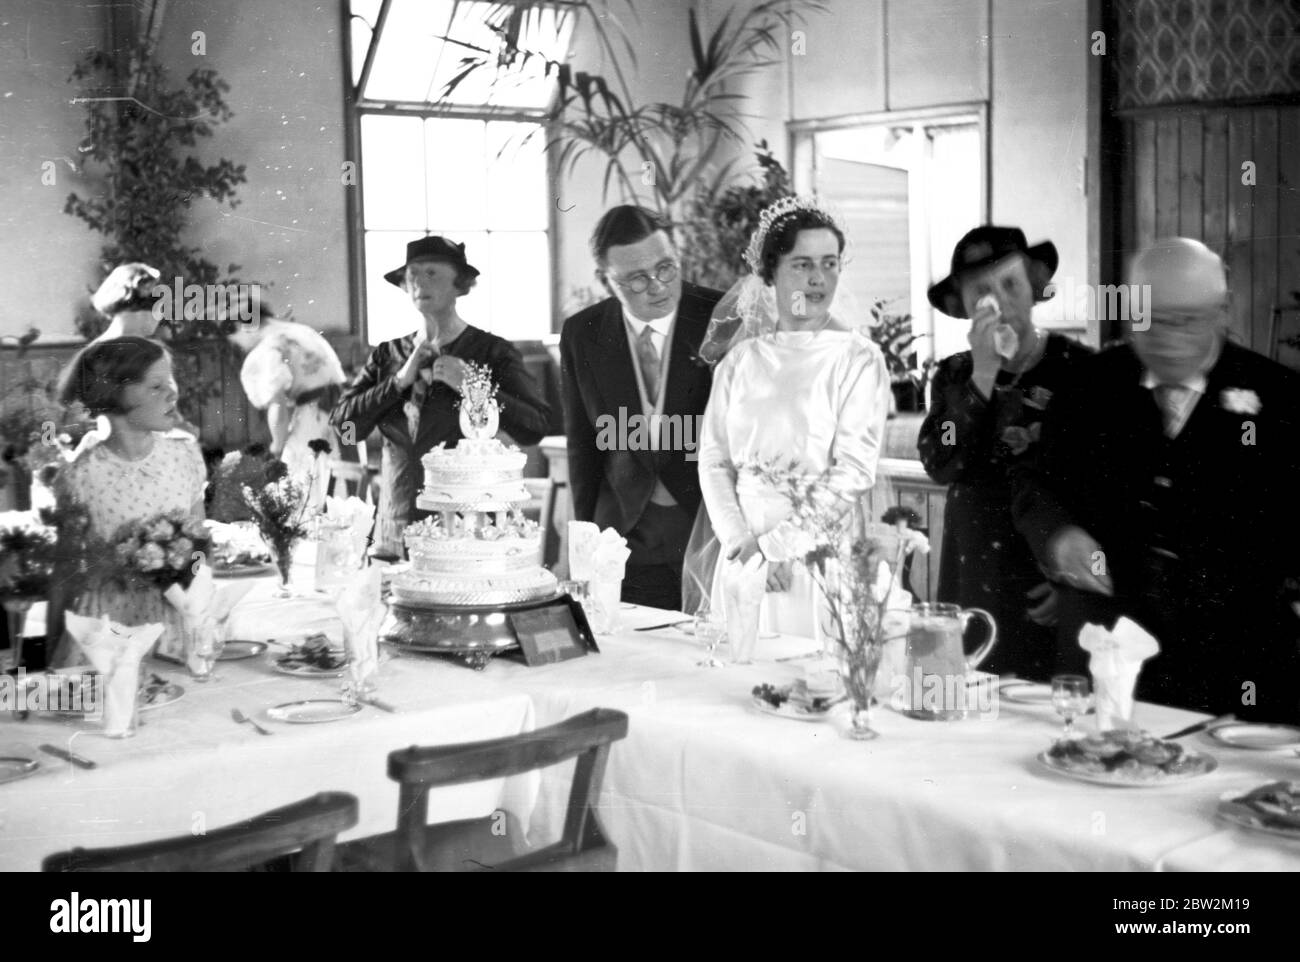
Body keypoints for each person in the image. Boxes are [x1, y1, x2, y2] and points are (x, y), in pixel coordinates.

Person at [1012, 237, 1300, 721]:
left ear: (1221, 311)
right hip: (1107, 655)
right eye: (1147, 316)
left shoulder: (1280, 398)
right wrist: (1058, 538)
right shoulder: (1091, 385)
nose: (1164, 335)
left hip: (1240, 666)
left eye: (1184, 320)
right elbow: (1034, 482)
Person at [692, 196, 890, 640]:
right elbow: (714, 459)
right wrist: (740, 541)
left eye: (830, 263)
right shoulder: (739, 361)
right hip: (743, 553)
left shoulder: (858, 359)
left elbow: (853, 472)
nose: (818, 279)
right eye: (801, 264)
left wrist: (777, 549)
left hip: (814, 556)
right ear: (770, 272)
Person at [918, 226, 1093, 679]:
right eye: (981, 292)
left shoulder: (1082, 369)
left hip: (1049, 579)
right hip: (974, 570)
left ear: (1035, 289)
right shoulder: (954, 374)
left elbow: (1104, 483)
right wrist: (982, 375)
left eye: (1010, 284)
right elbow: (942, 460)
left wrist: (1070, 580)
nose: (998, 302)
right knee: (966, 701)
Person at [331, 237, 550, 556]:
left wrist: (475, 388)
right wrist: (398, 381)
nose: (419, 281)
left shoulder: (493, 352)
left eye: (431, 272)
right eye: (412, 274)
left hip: (468, 532)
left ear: (460, 284)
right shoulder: (387, 356)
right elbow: (345, 427)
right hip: (395, 527)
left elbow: (536, 427)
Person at [560, 206, 722, 609]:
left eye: (666, 267)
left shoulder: (719, 318)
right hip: (625, 540)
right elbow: (582, 447)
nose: (657, 286)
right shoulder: (583, 333)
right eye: (636, 279)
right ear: (605, 280)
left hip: (707, 534)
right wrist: (587, 547)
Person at [47, 337, 208, 667]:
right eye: (156, 386)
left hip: (172, 629)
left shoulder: (184, 455)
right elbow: (64, 574)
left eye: (171, 380)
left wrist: (200, 613)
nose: (172, 393)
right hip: (108, 635)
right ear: (115, 394)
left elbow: (199, 551)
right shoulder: (80, 477)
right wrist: (51, 656)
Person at [229, 299, 347, 483]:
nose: (240, 344)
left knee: (303, 479)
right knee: (348, 474)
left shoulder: (269, 347)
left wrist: (277, 445)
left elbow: (278, 405)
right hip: (349, 413)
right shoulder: (304, 331)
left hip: (315, 417)